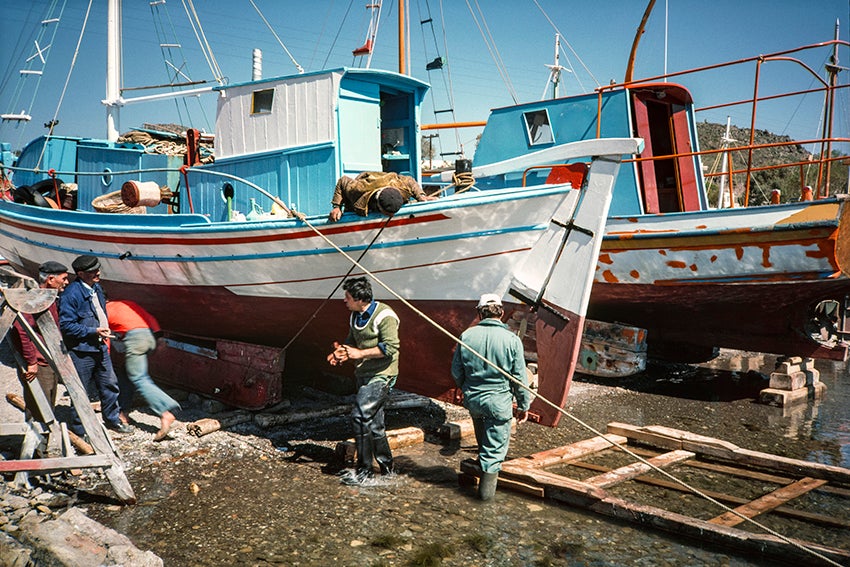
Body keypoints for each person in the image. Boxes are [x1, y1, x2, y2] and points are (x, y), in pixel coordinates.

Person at [451, 293, 532, 501]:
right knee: (494, 454)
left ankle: (480, 473)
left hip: (474, 400)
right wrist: (524, 405)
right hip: (498, 402)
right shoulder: (512, 340)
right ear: (502, 313)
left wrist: (467, 389)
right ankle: (484, 508)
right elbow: (520, 378)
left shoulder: (467, 336)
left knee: (482, 441)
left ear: (479, 313)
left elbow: (456, 372)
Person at [326, 276, 400, 484]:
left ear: (359, 298)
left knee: (359, 415)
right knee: (375, 425)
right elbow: (351, 341)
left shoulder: (384, 316)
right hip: (364, 374)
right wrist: (340, 353)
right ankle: (388, 470)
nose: (344, 300)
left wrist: (359, 354)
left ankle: (364, 471)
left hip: (381, 374)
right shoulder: (355, 315)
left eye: (347, 297)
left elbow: (391, 348)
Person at [59, 255, 130, 435]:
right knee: (80, 390)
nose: (98, 273)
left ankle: (112, 419)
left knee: (109, 384)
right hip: (81, 351)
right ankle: (80, 428)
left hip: (99, 346)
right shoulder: (71, 295)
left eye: (98, 269)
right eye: (93, 271)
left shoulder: (96, 288)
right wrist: (93, 331)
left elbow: (100, 314)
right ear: (81, 274)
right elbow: (67, 326)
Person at [107, 299, 180, 441]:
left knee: (139, 378)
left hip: (136, 339)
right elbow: (150, 318)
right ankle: (123, 413)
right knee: (126, 373)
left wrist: (105, 359)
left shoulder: (104, 310)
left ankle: (165, 411)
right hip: (149, 336)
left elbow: (105, 337)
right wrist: (159, 338)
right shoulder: (127, 303)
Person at [9, 261, 69, 423]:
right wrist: (31, 362)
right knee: (39, 408)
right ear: (50, 279)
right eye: (63, 279)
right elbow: (21, 330)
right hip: (40, 364)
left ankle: (43, 444)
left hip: (49, 359)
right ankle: (36, 446)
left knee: (48, 403)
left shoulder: (49, 298)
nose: (66, 282)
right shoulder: (35, 300)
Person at [328, 171, 436, 222]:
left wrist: (421, 196)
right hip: (366, 188)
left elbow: (410, 180)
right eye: (388, 214)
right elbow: (343, 181)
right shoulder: (358, 189)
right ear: (380, 208)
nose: (391, 217)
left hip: (387, 182)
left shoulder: (402, 186)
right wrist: (337, 207)